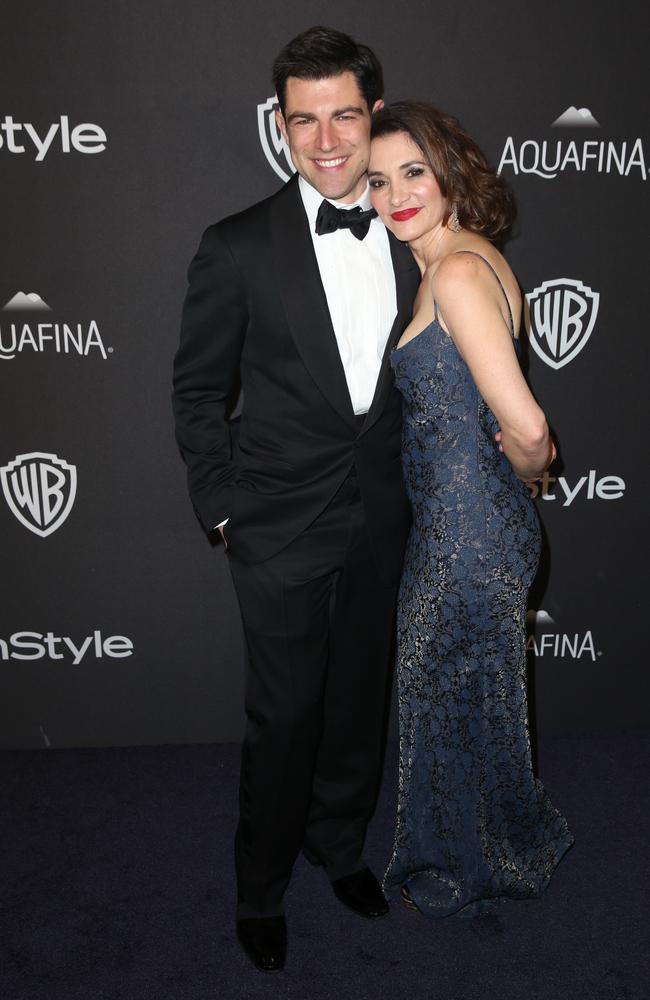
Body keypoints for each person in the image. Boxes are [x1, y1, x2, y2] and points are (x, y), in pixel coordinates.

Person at [172, 29, 419, 970]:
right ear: (281, 127)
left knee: (358, 703)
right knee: (286, 719)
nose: (326, 138)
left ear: (374, 117)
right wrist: (226, 511)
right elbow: (198, 394)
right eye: (304, 118)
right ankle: (260, 886)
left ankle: (340, 844)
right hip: (276, 527)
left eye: (344, 115)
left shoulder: (413, 231)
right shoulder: (235, 246)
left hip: (383, 518)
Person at [367, 102, 574, 918]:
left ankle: (466, 864)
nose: (396, 194)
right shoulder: (466, 260)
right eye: (379, 180)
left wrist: (527, 473)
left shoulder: (453, 273)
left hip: (468, 535)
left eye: (414, 172)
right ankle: (502, 840)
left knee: (438, 690)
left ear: (450, 171)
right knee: (470, 694)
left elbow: (528, 428)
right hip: (469, 526)